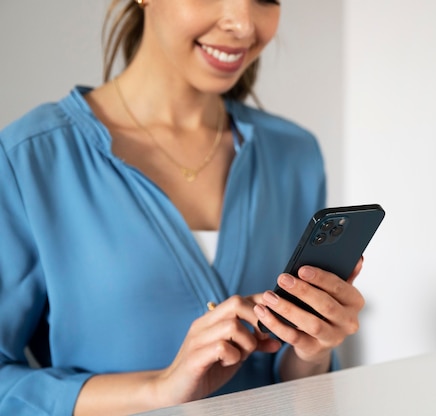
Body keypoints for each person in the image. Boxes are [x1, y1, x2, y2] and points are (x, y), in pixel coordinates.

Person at [0, 0, 366, 414]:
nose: (243, 24)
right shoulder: (26, 161)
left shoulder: (294, 155)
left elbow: (302, 391)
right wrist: (159, 390)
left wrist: (313, 349)